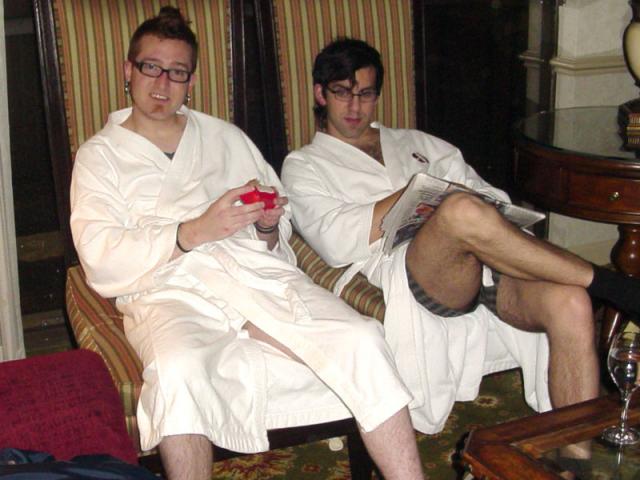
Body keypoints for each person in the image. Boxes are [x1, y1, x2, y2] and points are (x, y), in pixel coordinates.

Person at [70, 11, 426, 480]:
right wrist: (193, 231)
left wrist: (267, 225)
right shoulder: (99, 157)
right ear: (128, 70)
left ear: (191, 80)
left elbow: (277, 232)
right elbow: (99, 256)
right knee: (178, 371)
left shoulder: (226, 138)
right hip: (169, 290)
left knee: (363, 339)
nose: (162, 83)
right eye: (151, 67)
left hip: (257, 276)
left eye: (177, 72)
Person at [282, 38, 640, 444]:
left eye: (366, 94)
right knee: (457, 209)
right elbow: (333, 241)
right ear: (320, 94)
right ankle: (613, 287)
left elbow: (488, 195)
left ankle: (574, 456)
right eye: (342, 93)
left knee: (571, 303)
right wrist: (416, 194)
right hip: (414, 270)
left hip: (488, 263)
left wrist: (457, 202)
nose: (355, 106)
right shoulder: (304, 165)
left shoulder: (417, 143)